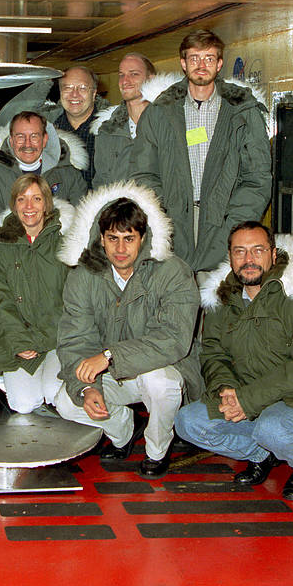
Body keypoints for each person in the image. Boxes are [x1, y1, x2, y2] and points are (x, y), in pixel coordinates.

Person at [175, 222, 293, 501]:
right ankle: (261, 454)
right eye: (240, 252)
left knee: (273, 428)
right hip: (243, 393)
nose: (248, 260)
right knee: (187, 422)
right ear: (230, 257)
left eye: (257, 250)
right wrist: (225, 388)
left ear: (273, 255)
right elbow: (214, 352)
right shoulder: (223, 300)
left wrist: (248, 399)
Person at [55, 183, 201, 477]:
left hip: (166, 368)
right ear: (101, 239)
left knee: (159, 383)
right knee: (66, 402)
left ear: (143, 238)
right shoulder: (84, 276)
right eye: (113, 239)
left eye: (129, 239)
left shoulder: (173, 272)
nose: (120, 249)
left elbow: (173, 341)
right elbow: (75, 338)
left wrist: (108, 356)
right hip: (112, 371)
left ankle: (157, 451)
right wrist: (88, 387)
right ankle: (124, 431)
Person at [131, 29, 272, 274]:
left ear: (219, 64)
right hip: (173, 226)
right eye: (194, 58)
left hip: (224, 225)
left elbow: (257, 178)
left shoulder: (244, 113)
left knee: (218, 301)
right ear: (183, 63)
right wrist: (164, 216)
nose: (201, 65)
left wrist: (234, 226)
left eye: (209, 58)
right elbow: (144, 173)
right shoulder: (159, 113)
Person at [0, 175, 73, 414]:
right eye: (22, 199)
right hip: (20, 338)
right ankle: (11, 381)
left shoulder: (65, 241)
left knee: (55, 393)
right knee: (23, 404)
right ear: (14, 205)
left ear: (46, 204)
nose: (29, 207)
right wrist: (18, 341)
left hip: (58, 337)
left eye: (36, 199)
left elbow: (75, 299)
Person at [0, 110, 87, 229]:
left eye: (34, 136)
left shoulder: (69, 175)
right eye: (20, 137)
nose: (27, 144)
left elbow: (81, 225)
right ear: (11, 141)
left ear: (44, 140)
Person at [92, 53, 167, 188]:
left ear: (151, 79)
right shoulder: (107, 132)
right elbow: (101, 184)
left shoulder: (170, 125)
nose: (125, 81)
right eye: (121, 75)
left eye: (134, 74)